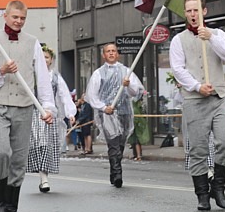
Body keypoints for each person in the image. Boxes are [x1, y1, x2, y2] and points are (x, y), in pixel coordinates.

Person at [0, 0, 55, 212]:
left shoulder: (33, 43)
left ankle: (11, 210)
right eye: (15, 17)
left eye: (22, 18)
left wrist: (47, 107)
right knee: (1, 152)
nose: (18, 21)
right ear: (5, 16)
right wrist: (0, 70)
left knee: (19, 159)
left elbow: (42, 77)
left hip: (24, 105)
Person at [169, 0, 225, 211]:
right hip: (194, 100)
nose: (192, 14)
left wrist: (210, 38)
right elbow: (178, 69)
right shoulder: (178, 40)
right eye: (189, 11)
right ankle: (202, 194)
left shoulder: (218, 34)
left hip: (219, 98)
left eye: (196, 10)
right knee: (198, 150)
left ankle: (218, 187)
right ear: (185, 14)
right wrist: (198, 86)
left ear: (204, 12)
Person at [86, 43, 144, 188]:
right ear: (103, 55)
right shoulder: (98, 73)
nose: (111, 53)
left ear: (117, 54)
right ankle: (118, 174)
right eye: (108, 51)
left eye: (113, 51)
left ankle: (114, 171)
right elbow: (92, 95)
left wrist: (128, 84)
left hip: (124, 111)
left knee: (121, 143)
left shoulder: (126, 71)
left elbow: (135, 92)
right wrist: (104, 107)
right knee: (113, 143)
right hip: (108, 114)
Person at [26, 44, 76, 193]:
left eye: (46, 57)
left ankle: (44, 178)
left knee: (47, 146)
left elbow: (64, 95)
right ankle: (42, 177)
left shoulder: (55, 77)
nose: (44, 60)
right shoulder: (30, 77)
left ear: (51, 60)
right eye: (41, 57)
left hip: (49, 116)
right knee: (39, 146)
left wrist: (70, 113)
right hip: (34, 116)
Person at [128, 89, 149, 161]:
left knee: (136, 141)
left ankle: (138, 155)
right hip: (137, 123)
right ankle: (136, 154)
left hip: (136, 124)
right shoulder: (139, 105)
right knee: (135, 141)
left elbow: (137, 116)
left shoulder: (135, 106)